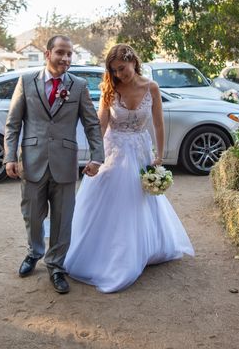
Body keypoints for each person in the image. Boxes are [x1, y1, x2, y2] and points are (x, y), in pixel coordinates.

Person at [64, 44, 194, 293]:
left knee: (141, 200)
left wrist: (160, 155)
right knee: (114, 200)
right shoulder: (110, 89)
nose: (119, 74)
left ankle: (145, 248)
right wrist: (95, 158)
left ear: (133, 61)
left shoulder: (152, 88)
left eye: (122, 69)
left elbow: (158, 124)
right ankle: (113, 253)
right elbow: (101, 126)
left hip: (141, 150)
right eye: (114, 71)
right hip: (115, 151)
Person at [4, 35, 105, 294]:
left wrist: (97, 156)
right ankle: (34, 252)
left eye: (70, 54)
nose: (66, 58)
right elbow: (13, 123)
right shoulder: (26, 82)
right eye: (61, 52)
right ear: (48, 54)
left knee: (63, 219)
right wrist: (9, 157)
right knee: (32, 216)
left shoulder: (79, 85)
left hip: (64, 162)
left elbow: (92, 123)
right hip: (32, 161)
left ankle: (56, 265)